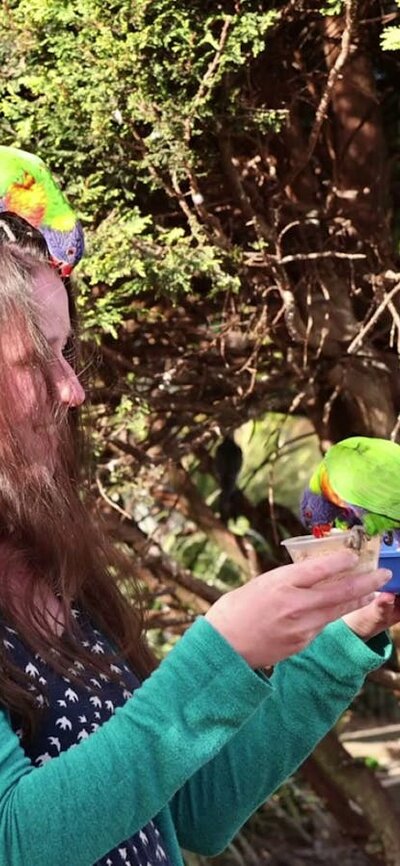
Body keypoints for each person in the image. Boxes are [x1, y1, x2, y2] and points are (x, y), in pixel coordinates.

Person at [0, 211, 397, 866]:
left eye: (67, 351)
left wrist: (341, 635)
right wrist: (220, 652)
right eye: (34, 359)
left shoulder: (57, 574)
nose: (73, 390)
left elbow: (193, 808)